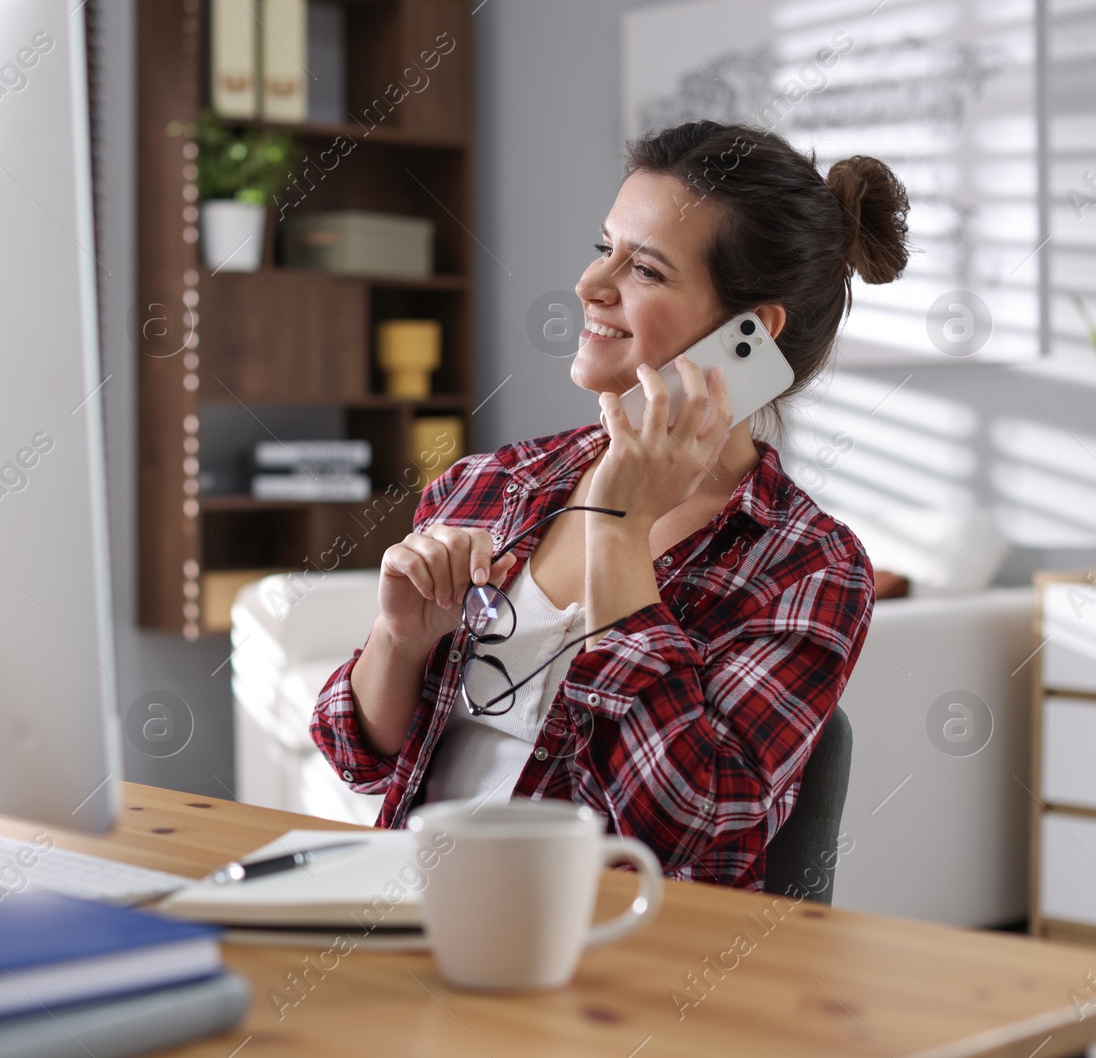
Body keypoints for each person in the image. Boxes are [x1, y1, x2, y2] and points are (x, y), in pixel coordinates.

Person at [309, 120, 910, 890]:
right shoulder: (490, 484)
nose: (592, 286)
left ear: (749, 333)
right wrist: (399, 639)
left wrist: (620, 538)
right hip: (420, 919)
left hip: (625, 964)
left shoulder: (807, 565)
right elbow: (357, 757)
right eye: (605, 249)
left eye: (647, 270)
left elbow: (691, 829)